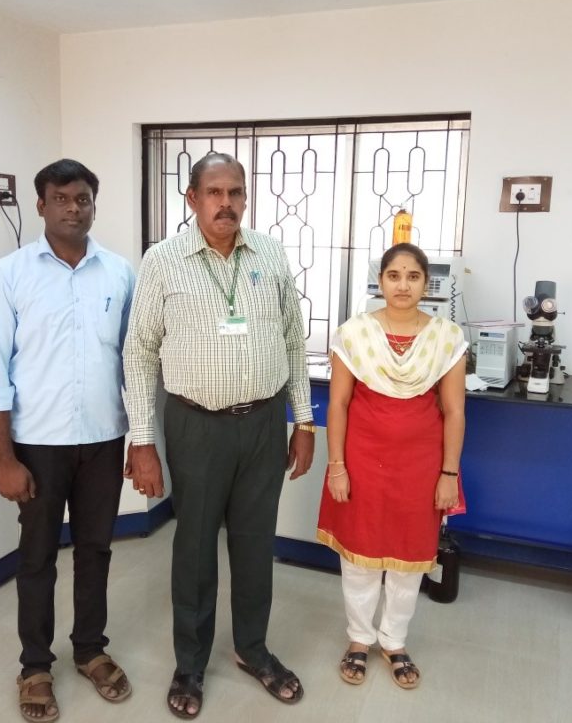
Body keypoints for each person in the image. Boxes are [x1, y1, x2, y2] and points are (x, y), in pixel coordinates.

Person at [123, 152, 315, 719]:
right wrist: (142, 439)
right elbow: (139, 353)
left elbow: (291, 341)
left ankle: (252, 649)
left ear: (246, 198)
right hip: (196, 426)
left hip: (262, 422)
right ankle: (190, 662)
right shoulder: (162, 262)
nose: (225, 203)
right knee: (195, 548)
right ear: (192, 199)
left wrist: (302, 422)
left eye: (235, 192)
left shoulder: (271, 254)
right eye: (213, 192)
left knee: (256, 545)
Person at [0, 158, 135, 723]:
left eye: (83, 198)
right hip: (36, 444)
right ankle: (35, 665)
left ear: (95, 203)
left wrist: (140, 440)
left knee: (95, 551)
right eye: (61, 198)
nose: (74, 208)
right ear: (40, 205)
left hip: (102, 439)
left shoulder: (119, 273)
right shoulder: (9, 275)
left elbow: (133, 365)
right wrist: (4, 460)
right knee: (37, 557)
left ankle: (90, 650)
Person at [316, 242, 467, 690]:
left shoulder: (447, 338)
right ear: (380, 281)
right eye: (394, 275)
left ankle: (394, 641)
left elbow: (455, 412)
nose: (403, 285)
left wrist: (449, 475)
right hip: (362, 460)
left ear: (426, 283)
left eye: (413, 276)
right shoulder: (354, 334)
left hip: (421, 465)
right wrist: (337, 466)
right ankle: (359, 639)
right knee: (359, 558)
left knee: (409, 558)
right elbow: (338, 404)